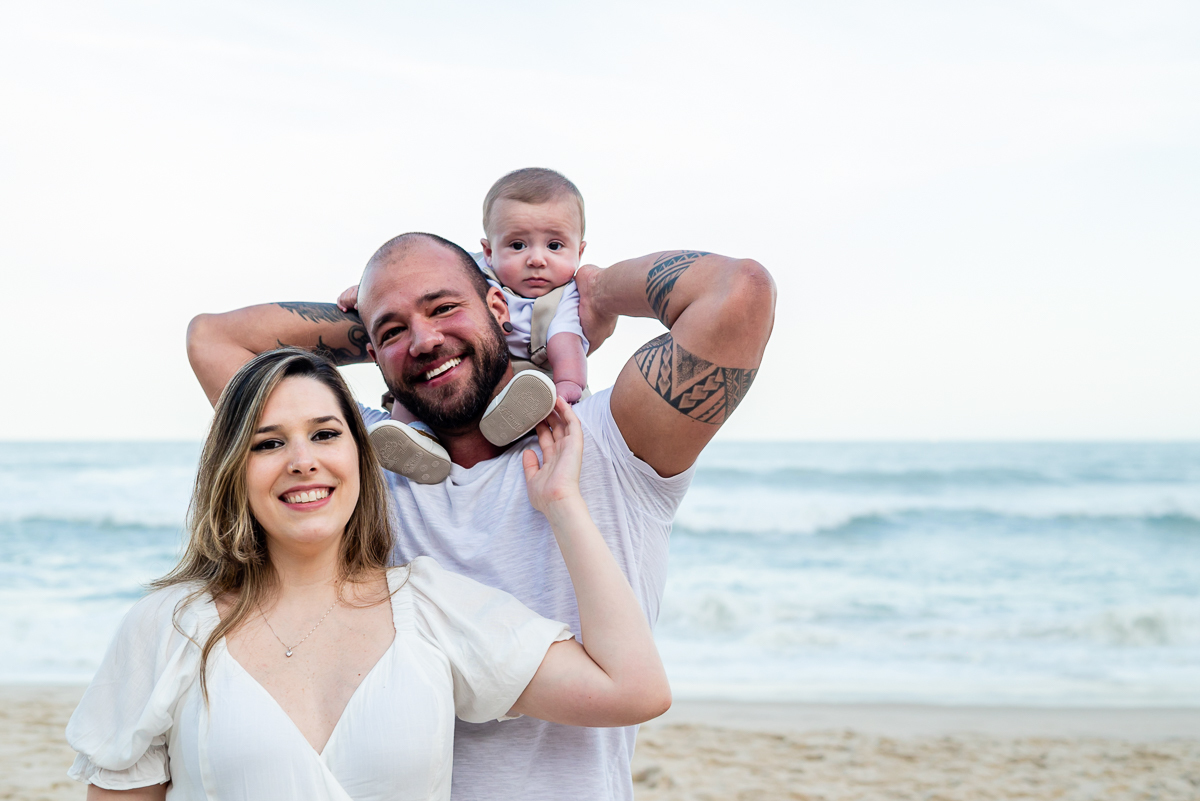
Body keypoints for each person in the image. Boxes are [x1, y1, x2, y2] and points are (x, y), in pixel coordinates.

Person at [187, 234, 776, 801]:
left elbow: (738, 292)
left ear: (500, 306)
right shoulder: (354, 463)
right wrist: (369, 321)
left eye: (444, 308)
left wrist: (585, 295)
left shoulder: (607, 441)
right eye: (394, 332)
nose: (424, 341)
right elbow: (214, 341)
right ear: (372, 353)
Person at [67, 348, 670, 800]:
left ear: (361, 455)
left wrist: (563, 504)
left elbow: (633, 690)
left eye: (325, 435)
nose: (304, 461)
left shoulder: (430, 607)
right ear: (232, 469)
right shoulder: (170, 627)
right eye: (268, 443)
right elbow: (211, 336)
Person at [340, 168, 593, 484]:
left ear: (580, 252)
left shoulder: (567, 296)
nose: (536, 259)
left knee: (531, 390)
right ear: (489, 251)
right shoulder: (475, 271)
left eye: (555, 246)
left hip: (536, 377)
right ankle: (413, 438)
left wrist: (569, 384)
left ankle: (510, 428)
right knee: (407, 389)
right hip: (460, 377)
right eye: (517, 246)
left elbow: (565, 340)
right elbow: (411, 280)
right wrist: (367, 293)